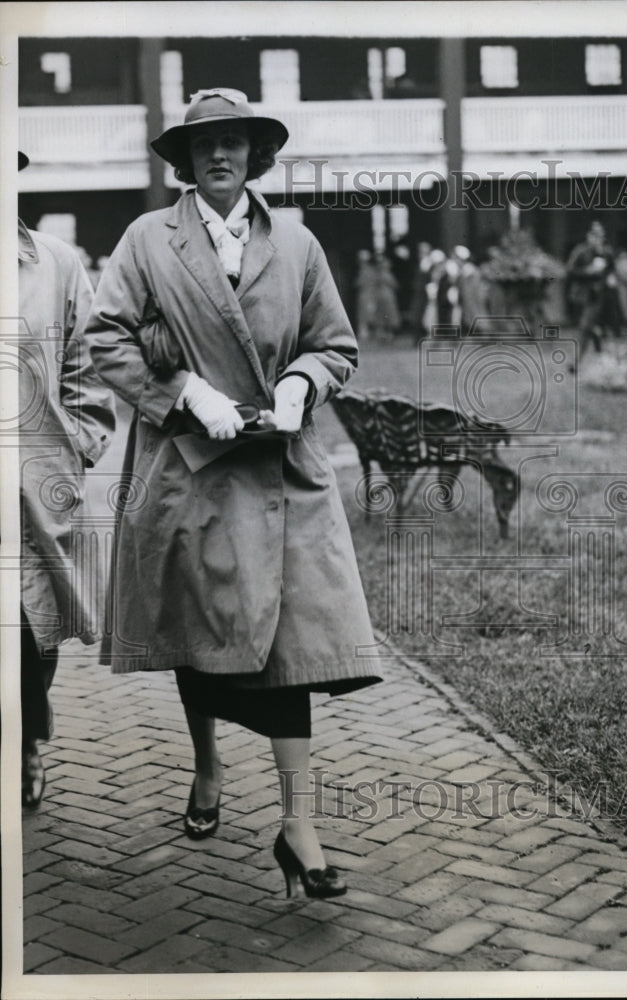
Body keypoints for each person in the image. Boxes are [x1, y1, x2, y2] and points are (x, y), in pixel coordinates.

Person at [84, 89, 381, 897]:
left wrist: (297, 384)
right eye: (205, 143)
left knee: (288, 648)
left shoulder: (296, 241)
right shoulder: (148, 239)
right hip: (192, 469)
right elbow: (104, 338)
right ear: (184, 157)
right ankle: (208, 768)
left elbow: (335, 345)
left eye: (236, 141)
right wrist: (185, 391)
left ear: (256, 152)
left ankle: (299, 825)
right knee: (202, 627)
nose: (220, 154)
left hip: (283, 469)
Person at [17, 150, 116, 807]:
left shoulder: (53, 262)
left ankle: (26, 740)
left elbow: (88, 366)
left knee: (34, 627)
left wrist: (77, 446)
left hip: (36, 482)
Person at [565, 221, 618, 359]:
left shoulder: (607, 252)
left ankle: (576, 360)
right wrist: (588, 271)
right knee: (585, 324)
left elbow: (612, 270)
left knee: (584, 326)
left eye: (601, 235)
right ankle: (597, 336)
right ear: (588, 236)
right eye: (595, 235)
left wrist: (609, 279)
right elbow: (570, 270)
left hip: (596, 295)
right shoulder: (580, 251)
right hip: (580, 294)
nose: (598, 239)